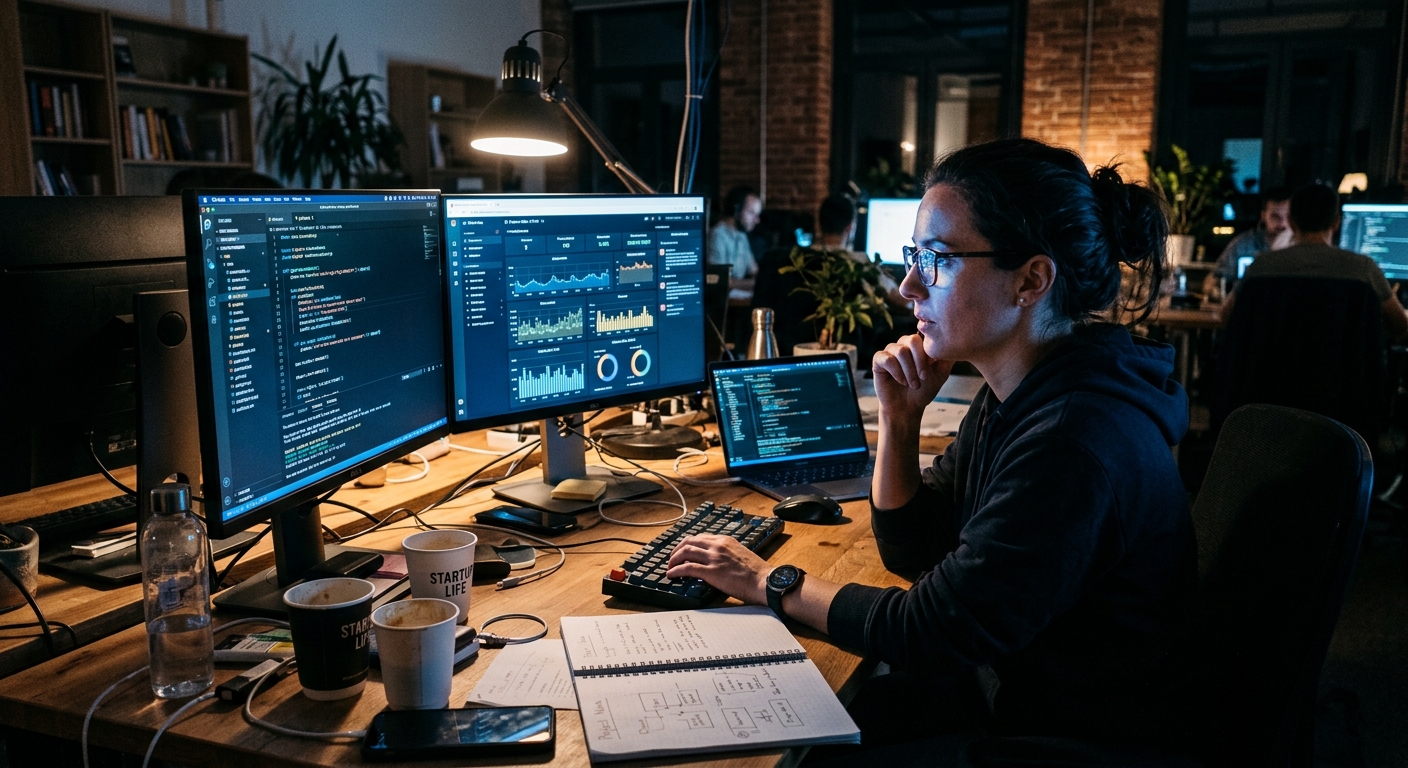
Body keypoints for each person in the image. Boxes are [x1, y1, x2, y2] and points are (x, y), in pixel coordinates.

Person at [668, 138, 1198, 761]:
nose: (908, 286)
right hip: (1009, 689)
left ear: (1031, 279)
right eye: (914, 254)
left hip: (1065, 734)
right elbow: (913, 546)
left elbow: (929, 630)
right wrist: (900, 418)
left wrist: (768, 581)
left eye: (938, 259)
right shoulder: (1022, 390)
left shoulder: (1073, 438)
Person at [1222, 182, 1408, 341]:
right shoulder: (1364, 269)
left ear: (1291, 222)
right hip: (1342, 378)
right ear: (1336, 223)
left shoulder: (1261, 266)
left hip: (1272, 377)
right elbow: (1401, 325)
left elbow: (1226, 317)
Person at [1204, 187, 1292, 295]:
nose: (1282, 224)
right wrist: (1216, 291)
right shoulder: (1242, 245)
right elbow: (1214, 279)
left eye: (1288, 217)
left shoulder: (1299, 246)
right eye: (1275, 217)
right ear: (1263, 216)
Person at [709, 186, 762, 280]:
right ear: (736, 210)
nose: (757, 220)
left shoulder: (742, 235)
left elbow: (754, 271)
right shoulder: (717, 235)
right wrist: (755, 284)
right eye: (751, 213)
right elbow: (719, 280)